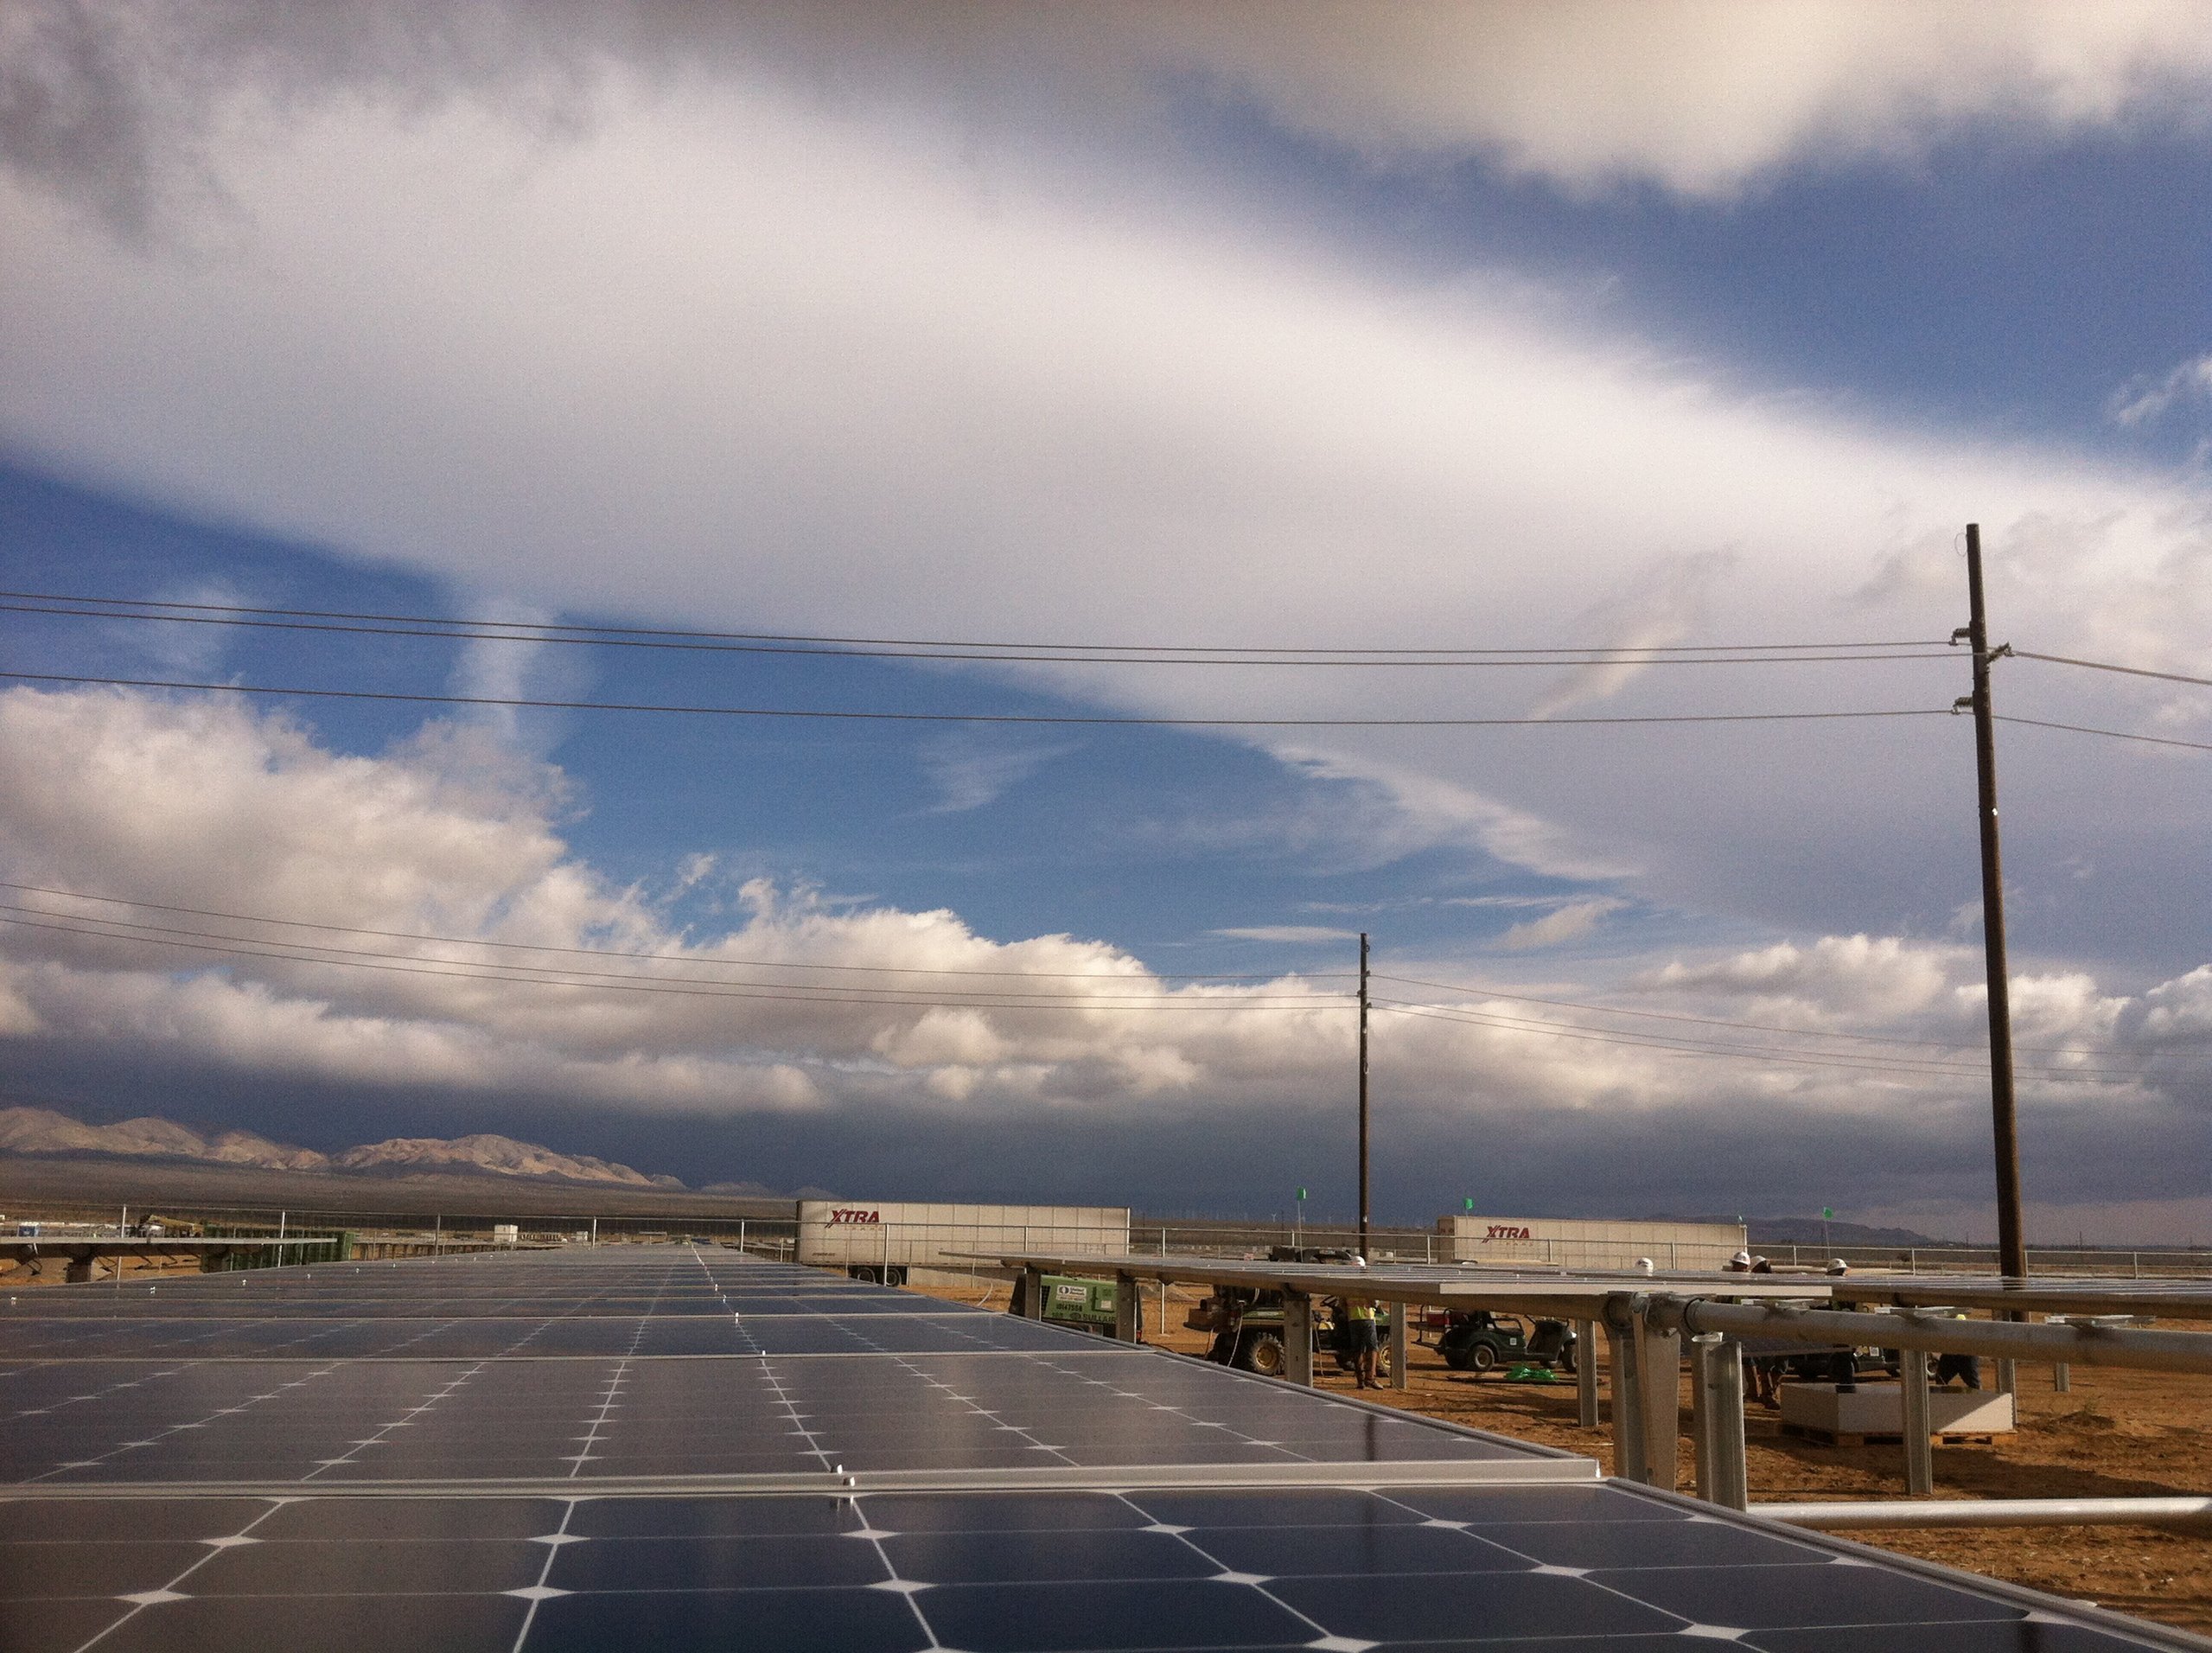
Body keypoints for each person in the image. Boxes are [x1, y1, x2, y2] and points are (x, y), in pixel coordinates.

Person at [1342, 1295, 1380, 1388]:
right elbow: (1375, 1302)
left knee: (1357, 1350)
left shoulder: (1347, 1287)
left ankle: (1360, 1381)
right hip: (1368, 1318)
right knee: (1372, 1348)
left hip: (1353, 1320)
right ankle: (1370, 1378)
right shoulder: (1367, 1285)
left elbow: (1341, 1304)